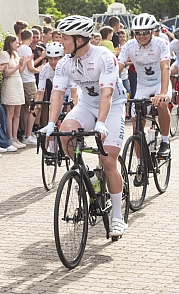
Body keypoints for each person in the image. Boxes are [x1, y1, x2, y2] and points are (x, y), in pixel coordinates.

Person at [40, 15, 129, 237]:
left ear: (80, 39)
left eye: (65, 38)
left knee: (108, 160)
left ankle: (117, 216)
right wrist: (51, 123)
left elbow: (107, 94)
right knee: (66, 132)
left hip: (113, 106)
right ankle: (87, 176)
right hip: (87, 105)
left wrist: (101, 123)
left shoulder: (104, 57)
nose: (61, 42)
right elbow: (57, 95)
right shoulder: (64, 63)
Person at [118, 13, 172, 156]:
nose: (142, 36)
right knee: (136, 125)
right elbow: (118, 67)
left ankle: (165, 141)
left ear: (152, 31)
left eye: (146, 32)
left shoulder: (161, 44)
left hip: (160, 83)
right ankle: (140, 165)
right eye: (138, 33)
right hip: (143, 86)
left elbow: (165, 67)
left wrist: (163, 92)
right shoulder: (129, 46)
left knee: (161, 104)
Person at [0, 35, 25, 147]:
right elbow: (7, 73)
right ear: (10, 43)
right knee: (11, 113)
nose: (17, 44)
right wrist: (18, 65)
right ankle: (10, 137)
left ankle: (15, 137)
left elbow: (20, 71)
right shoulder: (5, 54)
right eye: (16, 42)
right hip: (10, 84)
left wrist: (23, 63)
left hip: (18, 82)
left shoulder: (16, 54)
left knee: (17, 112)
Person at [17, 29, 38, 145]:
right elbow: (30, 68)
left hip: (22, 81)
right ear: (30, 38)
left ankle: (26, 133)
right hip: (29, 80)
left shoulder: (19, 49)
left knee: (26, 109)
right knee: (34, 108)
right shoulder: (27, 49)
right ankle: (28, 134)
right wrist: (40, 69)